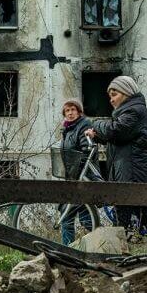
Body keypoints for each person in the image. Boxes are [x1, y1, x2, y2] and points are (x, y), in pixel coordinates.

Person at [86, 76, 147, 242]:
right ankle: (132, 252)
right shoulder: (129, 112)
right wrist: (98, 137)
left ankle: (126, 254)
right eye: (110, 96)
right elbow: (120, 140)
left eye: (114, 94)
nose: (111, 99)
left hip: (138, 177)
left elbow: (116, 131)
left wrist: (95, 124)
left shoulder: (134, 111)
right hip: (131, 176)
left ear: (126, 93)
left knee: (142, 219)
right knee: (133, 220)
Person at [58, 98, 101, 244]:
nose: (70, 113)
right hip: (74, 178)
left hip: (82, 177)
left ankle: (67, 250)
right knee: (86, 217)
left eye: (73, 110)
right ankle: (100, 243)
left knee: (67, 215)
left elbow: (86, 152)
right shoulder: (67, 129)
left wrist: (78, 171)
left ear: (79, 111)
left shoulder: (83, 126)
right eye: (67, 110)